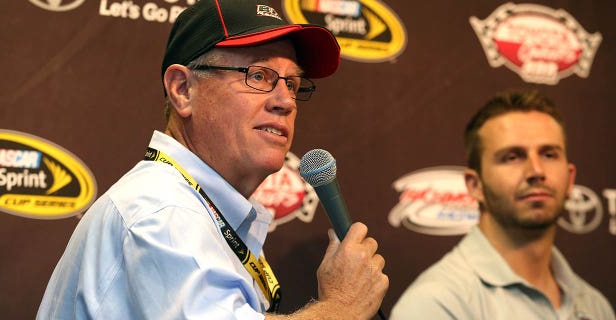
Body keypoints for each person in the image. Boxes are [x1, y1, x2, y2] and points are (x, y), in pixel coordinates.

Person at [37, 0, 388, 319]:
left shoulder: (199, 210)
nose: (286, 101)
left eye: (293, 84)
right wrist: (343, 307)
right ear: (182, 90)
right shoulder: (162, 211)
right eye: (260, 76)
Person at [390, 89, 615, 320]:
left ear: (570, 179)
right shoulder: (436, 305)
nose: (536, 171)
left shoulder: (596, 307)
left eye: (549, 154)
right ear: (475, 185)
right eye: (512, 157)